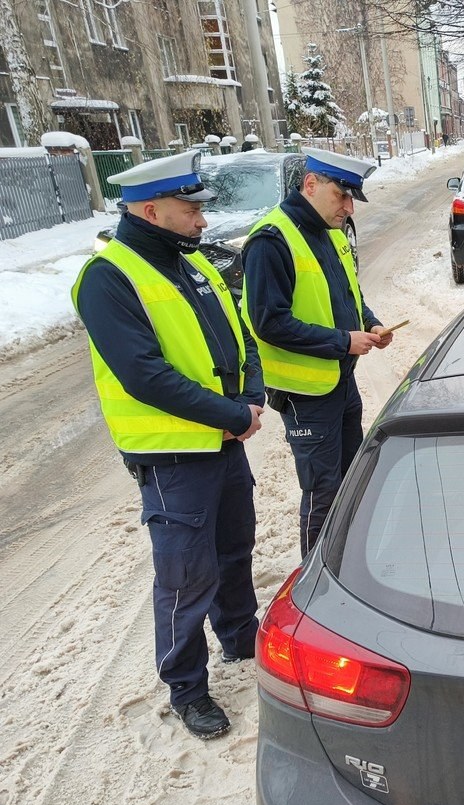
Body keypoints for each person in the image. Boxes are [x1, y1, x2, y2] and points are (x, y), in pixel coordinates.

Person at [72, 152, 264, 741]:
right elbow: (144, 374)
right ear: (150, 210)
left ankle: (240, 639)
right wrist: (232, 414)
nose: (203, 221)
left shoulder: (194, 263)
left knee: (234, 549)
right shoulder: (110, 277)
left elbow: (240, 336)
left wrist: (251, 397)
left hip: (223, 440)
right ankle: (187, 688)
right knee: (186, 575)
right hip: (172, 456)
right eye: (191, 211)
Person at [241, 148, 392, 558]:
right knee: (323, 494)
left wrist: (371, 322)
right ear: (310, 185)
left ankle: (348, 565)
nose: (348, 208)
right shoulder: (272, 240)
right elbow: (268, 323)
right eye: (341, 196)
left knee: (349, 483)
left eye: (351, 199)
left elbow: (349, 295)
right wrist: (343, 341)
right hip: (306, 396)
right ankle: (317, 584)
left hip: (340, 384)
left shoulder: (329, 232)